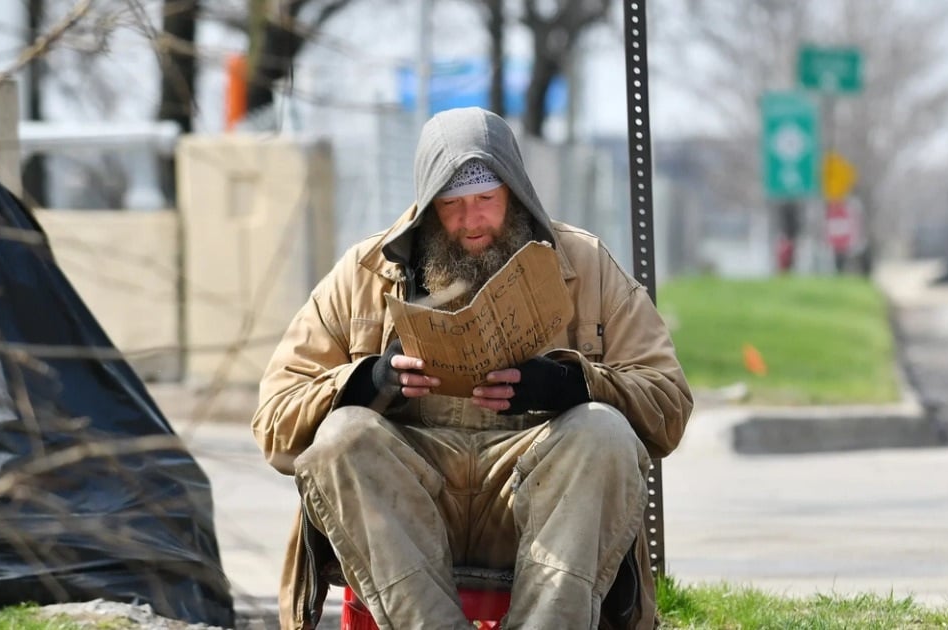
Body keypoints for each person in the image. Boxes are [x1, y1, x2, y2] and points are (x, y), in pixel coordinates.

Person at [252, 106, 693, 630]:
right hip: (408, 507)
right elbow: (274, 422)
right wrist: (367, 381)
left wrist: (572, 385)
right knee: (342, 436)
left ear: (516, 192)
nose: (470, 220)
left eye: (486, 200)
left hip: (535, 496)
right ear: (426, 208)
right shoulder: (365, 273)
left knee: (603, 431)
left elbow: (668, 404)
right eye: (451, 205)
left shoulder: (587, 265)